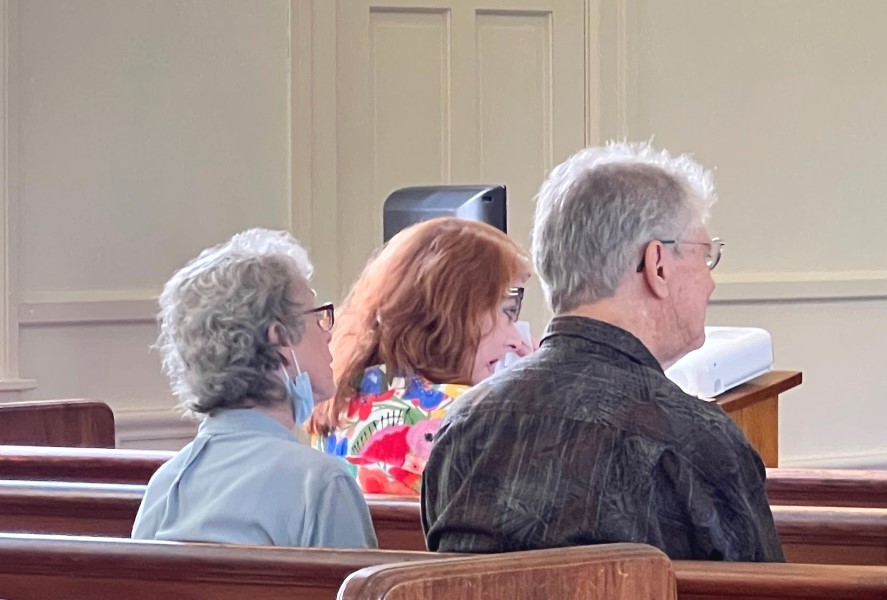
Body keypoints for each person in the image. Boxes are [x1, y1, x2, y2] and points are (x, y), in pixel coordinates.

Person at [421, 142, 785, 561]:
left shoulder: (462, 427)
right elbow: (763, 587)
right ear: (657, 265)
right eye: (705, 256)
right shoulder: (699, 442)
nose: (710, 282)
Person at [132, 228, 377, 549]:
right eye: (316, 317)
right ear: (279, 338)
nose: (328, 333)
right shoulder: (321, 485)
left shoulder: (164, 485)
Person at [307, 217, 532, 496]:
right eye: (506, 311)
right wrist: (536, 393)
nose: (516, 340)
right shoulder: (471, 418)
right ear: (453, 314)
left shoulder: (337, 402)